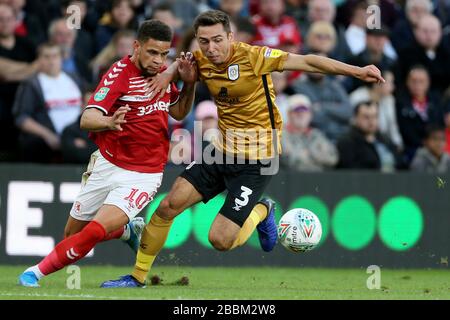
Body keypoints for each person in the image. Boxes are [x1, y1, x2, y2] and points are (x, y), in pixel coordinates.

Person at [101, 9, 383, 288]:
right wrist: (169, 74)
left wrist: (357, 71)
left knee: (220, 241)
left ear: (230, 37)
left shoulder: (254, 57)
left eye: (217, 40)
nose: (211, 48)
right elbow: (183, 63)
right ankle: (137, 278)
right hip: (220, 151)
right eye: (203, 41)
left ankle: (262, 210)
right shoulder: (201, 59)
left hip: (258, 160)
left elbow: (308, 61)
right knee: (166, 207)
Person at [17, 19, 197, 287]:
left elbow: (178, 112)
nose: (158, 60)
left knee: (93, 231)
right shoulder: (119, 74)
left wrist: (190, 85)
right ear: (137, 46)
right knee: (72, 235)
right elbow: (87, 118)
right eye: (152, 52)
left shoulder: (163, 76)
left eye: (163, 54)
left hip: (144, 173)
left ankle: (35, 272)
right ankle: (127, 231)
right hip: (107, 164)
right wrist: (109, 122)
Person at [12, 42, 84, 163]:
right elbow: (21, 118)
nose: (51, 61)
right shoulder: (32, 84)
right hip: (47, 139)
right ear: (39, 60)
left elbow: (87, 102)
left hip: (75, 135)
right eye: (46, 57)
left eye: (55, 56)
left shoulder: (74, 78)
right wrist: (47, 135)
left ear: (61, 58)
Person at [336, 101, 400, 171]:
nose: (371, 121)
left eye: (375, 116)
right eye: (366, 117)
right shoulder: (347, 142)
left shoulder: (385, 139)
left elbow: (400, 163)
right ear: (355, 118)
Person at [281, 94, 338, 171]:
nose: (301, 114)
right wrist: (316, 157)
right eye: (296, 110)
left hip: (318, 179)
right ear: (288, 114)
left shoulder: (316, 134)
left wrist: (307, 155)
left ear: (310, 114)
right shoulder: (280, 135)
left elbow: (332, 158)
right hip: (290, 180)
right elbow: (290, 161)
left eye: (304, 110)